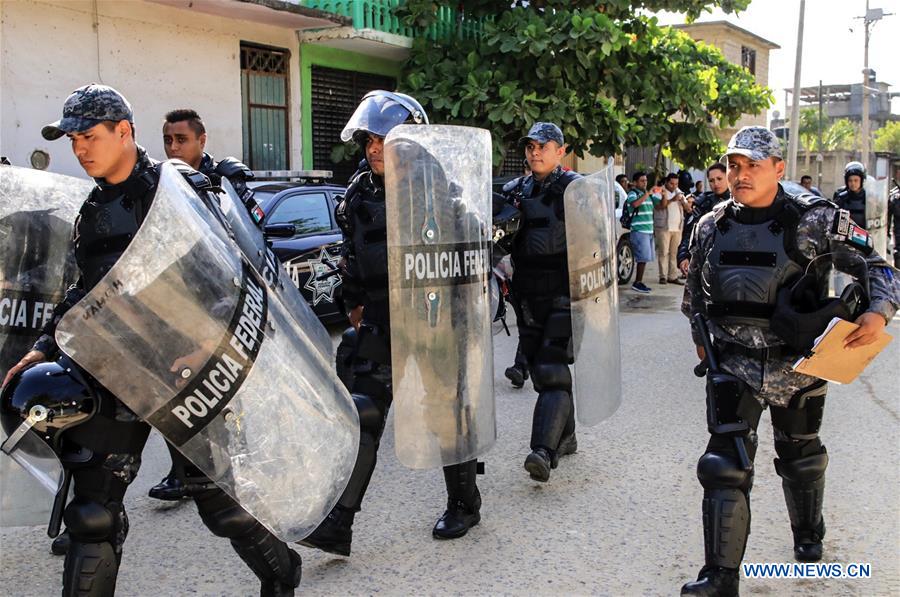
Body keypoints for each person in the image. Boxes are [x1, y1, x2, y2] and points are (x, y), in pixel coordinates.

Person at [2, 84, 302, 596]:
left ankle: (282, 573)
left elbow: (236, 271)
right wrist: (46, 346)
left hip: (192, 370)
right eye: (73, 139)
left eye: (90, 136)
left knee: (224, 507)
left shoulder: (178, 188)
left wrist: (208, 342)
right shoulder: (93, 210)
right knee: (93, 515)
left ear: (125, 131)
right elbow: (85, 290)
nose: (80, 149)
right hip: (116, 367)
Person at [680, 126, 899, 596]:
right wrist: (701, 336)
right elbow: (694, 289)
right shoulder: (709, 224)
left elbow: (877, 266)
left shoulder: (815, 220)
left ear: (778, 168)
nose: (740, 175)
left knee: (800, 456)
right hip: (732, 366)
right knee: (723, 465)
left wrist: (878, 313)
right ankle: (720, 578)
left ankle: (807, 533)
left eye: (752, 166)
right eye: (734, 166)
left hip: (798, 365)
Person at [298, 90, 483, 556]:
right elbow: (354, 254)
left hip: (433, 315)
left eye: (383, 139)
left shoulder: (436, 185)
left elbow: (471, 244)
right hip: (381, 317)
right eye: (369, 139)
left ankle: (465, 502)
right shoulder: (360, 190)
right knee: (365, 411)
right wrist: (351, 300)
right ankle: (340, 523)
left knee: (446, 412)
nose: (373, 147)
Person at [148, 108, 259, 502]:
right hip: (181, 302)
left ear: (202, 140)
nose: (173, 147)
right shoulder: (160, 184)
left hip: (223, 303)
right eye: (167, 140)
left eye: (181, 139)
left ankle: (241, 464)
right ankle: (184, 472)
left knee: (227, 389)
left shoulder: (224, 180)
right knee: (175, 386)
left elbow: (251, 239)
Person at [497, 122, 581, 483]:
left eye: (543, 146)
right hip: (527, 294)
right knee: (541, 370)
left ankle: (542, 451)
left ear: (561, 151)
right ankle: (567, 436)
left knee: (550, 370)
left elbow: (597, 243)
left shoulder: (577, 190)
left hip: (566, 293)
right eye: (530, 146)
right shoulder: (515, 191)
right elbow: (497, 239)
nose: (535, 152)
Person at [678, 163, 731, 274]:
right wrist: (684, 256)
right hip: (705, 262)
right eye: (711, 180)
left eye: (719, 179)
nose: (715, 183)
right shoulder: (703, 203)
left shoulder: (740, 201)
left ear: (728, 177)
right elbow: (689, 233)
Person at [625, 171, 658, 293]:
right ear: (635, 182)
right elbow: (634, 204)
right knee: (641, 258)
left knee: (644, 258)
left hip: (648, 230)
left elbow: (660, 206)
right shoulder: (632, 194)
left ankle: (639, 281)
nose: (645, 183)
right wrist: (648, 193)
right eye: (642, 181)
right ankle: (637, 282)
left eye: (646, 181)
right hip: (639, 230)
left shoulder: (647, 194)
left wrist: (663, 194)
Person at [654, 173, 686, 285]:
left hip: (677, 227)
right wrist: (672, 199)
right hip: (663, 227)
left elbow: (688, 208)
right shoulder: (658, 190)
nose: (674, 186)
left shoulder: (679, 191)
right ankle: (662, 276)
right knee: (663, 252)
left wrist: (683, 201)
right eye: (672, 183)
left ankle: (672, 276)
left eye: (676, 184)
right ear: (666, 182)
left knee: (674, 253)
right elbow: (659, 206)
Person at [833, 161, 867, 228]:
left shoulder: (868, 197)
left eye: (856, 180)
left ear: (862, 181)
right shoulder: (841, 197)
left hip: (866, 234)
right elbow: (834, 218)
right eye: (850, 180)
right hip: (846, 235)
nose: (853, 183)